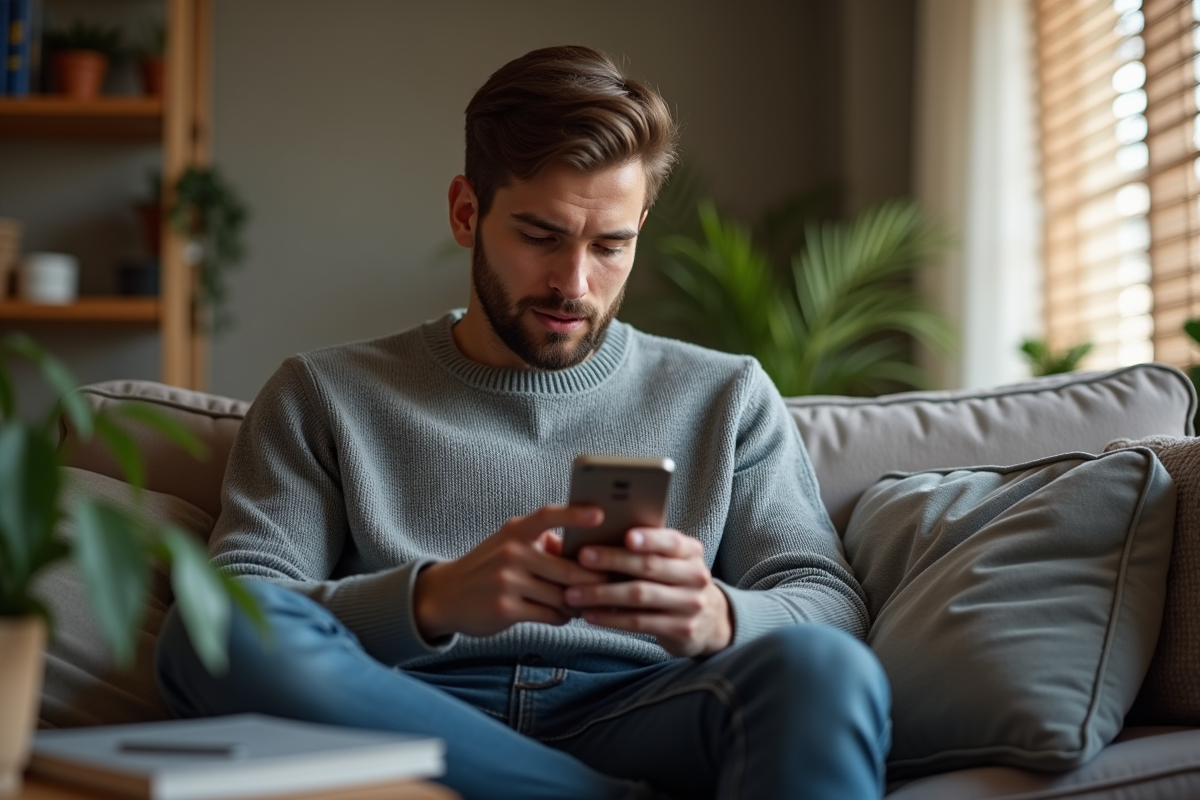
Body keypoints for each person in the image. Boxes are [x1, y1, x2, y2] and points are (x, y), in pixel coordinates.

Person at [155, 45, 891, 800]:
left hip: (646, 711)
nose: (574, 284)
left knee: (826, 671)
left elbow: (827, 604)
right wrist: (431, 600)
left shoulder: (726, 395)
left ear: (641, 224)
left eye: (611, 245)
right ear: (466, 213)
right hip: (412, 710)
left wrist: (718, 617)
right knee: (209, 637)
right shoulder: (325, 393)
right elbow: (235, 608)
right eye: (540, 236)